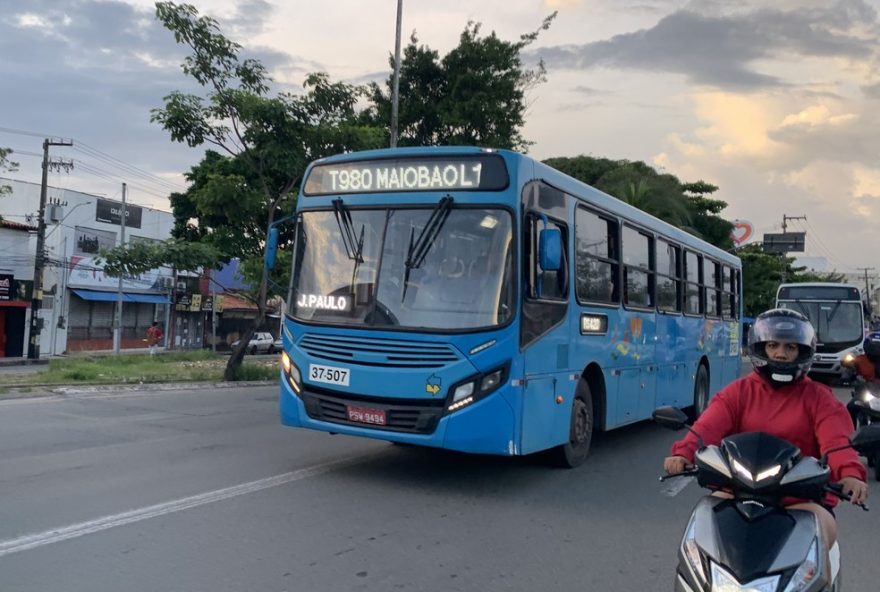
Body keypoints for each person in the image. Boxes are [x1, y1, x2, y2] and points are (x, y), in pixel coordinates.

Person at [663, 308, 868, 565]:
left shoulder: (820, 399)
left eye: (790, 347)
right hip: (737, 494)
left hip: (800, 500)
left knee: (819, 535)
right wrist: (683, 453)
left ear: (803, 352)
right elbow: (707, 427)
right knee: (701, 531)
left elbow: (837, 442)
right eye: (773, 345)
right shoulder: (738, 392)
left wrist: (850, 474)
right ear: (761, 348)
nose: (781, 354)